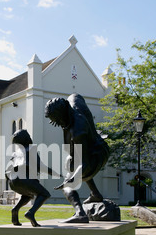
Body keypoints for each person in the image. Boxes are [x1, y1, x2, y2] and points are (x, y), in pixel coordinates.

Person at [45, 94, 110, 223]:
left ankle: (80, 213)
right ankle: (96, 194)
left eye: (56, 120)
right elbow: (76, 96)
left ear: (61, 114)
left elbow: (84, 164)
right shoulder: (72, 102)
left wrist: (69, 181)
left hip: (97, 154)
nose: (56, 124)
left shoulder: (78, 130)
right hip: (96, 146)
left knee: (68, 185)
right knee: (72, 163)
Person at [5, 129, 61, 227]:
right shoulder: (31, 149)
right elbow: (41, 166)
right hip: (24, 179)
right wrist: (55, 173)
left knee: (28, 195)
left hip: (12, 181)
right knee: (44, 194)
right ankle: (30, 213)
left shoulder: (16, 152)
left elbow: (7, 169)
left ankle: (15, 210)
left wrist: (10, 179)